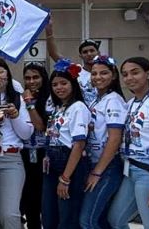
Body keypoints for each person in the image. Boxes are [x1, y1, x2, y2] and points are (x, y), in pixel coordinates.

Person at [107, 57, 149, 229]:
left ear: (148, 74)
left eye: (135, 72)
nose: (129, 78)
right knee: (115, 220)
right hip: (131, 170)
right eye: (125, 74)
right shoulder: (130, 104)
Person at [0, 58, 33, 229]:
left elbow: (26, 134)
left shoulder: (17, 98)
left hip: (11, 159)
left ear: (8, 74)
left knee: (9, 213)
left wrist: (15, 116)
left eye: (0, 72)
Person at [42, 62, 91, 229]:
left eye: (63, 83)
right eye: (55, 84)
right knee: (49, 215)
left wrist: (65, 178)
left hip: (69, 165)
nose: (59, 88)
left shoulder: (78, 107)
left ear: (73, 84)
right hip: (52, 164)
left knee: (67, 217)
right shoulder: (59, 107)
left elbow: (79, 144)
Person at [79, 56, 126, 229]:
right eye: (94, 73)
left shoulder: (113, 100)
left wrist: (97, 172)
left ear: (113, 75)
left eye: (104, 73)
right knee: (102, 220)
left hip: (107, 167)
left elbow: (115, 139)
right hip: (94, 163)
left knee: (87, 221)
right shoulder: (97, 99)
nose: (98, 77)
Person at [20, 62, 51, 229]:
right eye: (27, 78)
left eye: (35, 77)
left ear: (43, 78)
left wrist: (30, 103)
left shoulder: (50, 98)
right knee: (29, 201)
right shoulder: (19, 98)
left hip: (44, 155)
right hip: (24, 154)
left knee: (44, 202)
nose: (31, 81)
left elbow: (40, 126)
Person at [44, 20, 98, 104]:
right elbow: (53, 54)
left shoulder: (106, 72)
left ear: (98, 52)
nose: (89, 54)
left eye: (92, 50)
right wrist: (49, 33)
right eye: (85, 52)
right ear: (80, 56)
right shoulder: (76, 70)